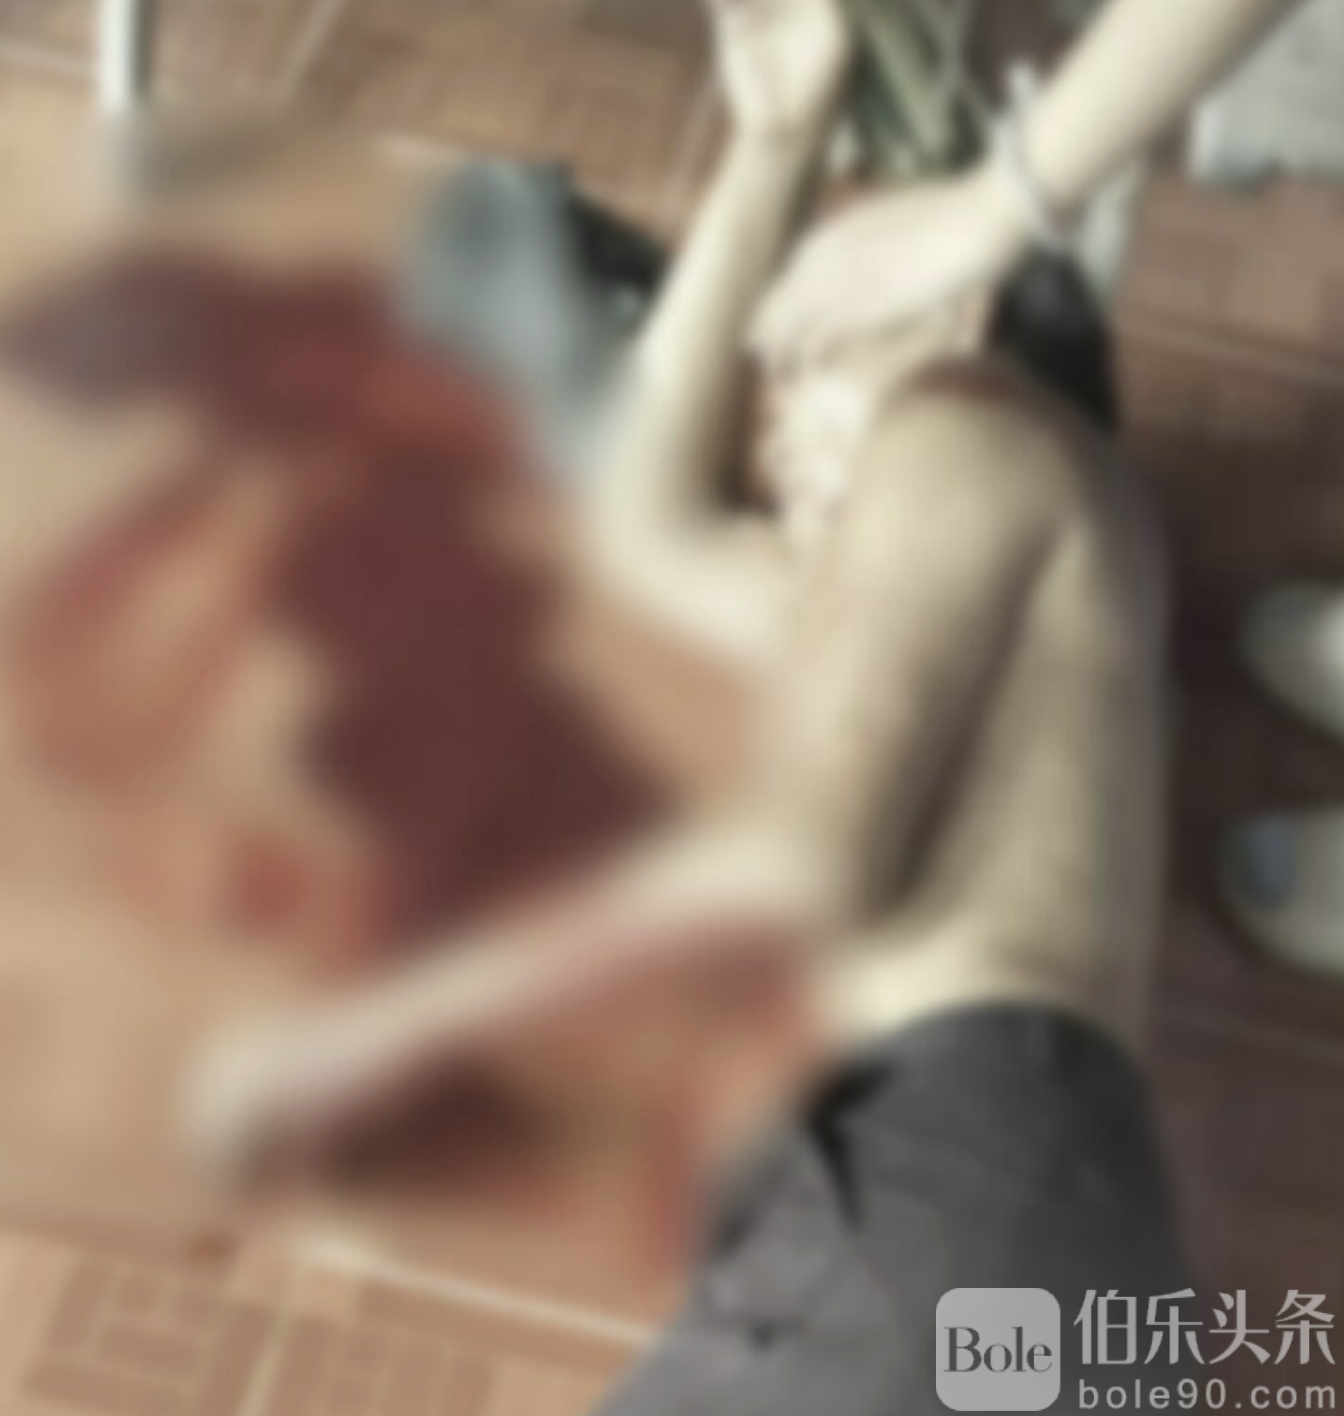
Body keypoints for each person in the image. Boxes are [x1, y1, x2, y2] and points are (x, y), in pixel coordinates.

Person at [183, 0, 1320, 1407]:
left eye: (806, 358)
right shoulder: (967, 512)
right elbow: (644, 530)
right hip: (1012, 1273)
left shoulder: (977, 440)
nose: (772, 407)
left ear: (953, 321)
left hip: (987, 1254)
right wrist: (777, 137)